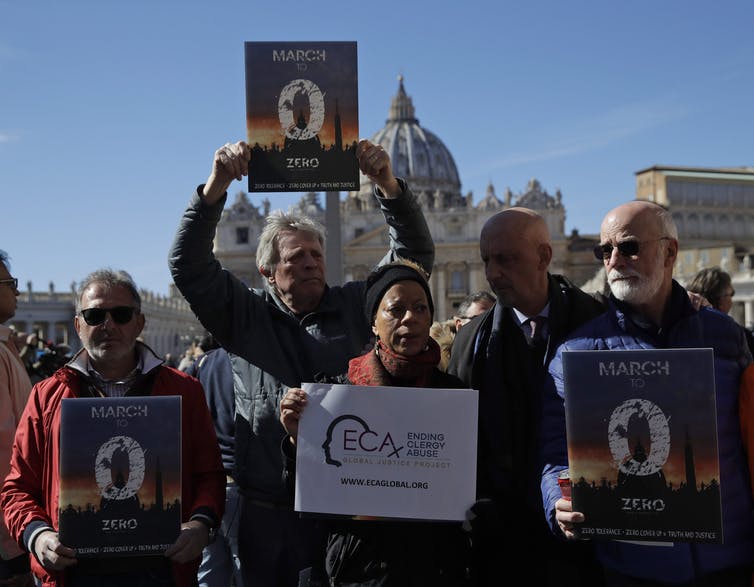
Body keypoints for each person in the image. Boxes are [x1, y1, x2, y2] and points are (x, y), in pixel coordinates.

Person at [168, 139, 434, 587]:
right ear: (268, 271)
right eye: (297, 257)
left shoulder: (356, 306)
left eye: (317, 255)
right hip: (269, 511)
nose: (312, 264)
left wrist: (388, 185)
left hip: (349, 507)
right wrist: (217, 185)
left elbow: (412, 260)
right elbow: (188, 265)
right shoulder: (243, 316)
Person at [542, 200, 754, 586]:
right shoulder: (576, 353)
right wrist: (555, 503)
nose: (615, 260)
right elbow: (555, 453)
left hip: (730, 560)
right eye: (605, 250)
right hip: (634, 568)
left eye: (629, 247)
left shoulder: (725, 335)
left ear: (670, 251)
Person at [1, 268, 226, 587]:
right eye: (94, 315)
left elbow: (209, 475)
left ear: (139, 322)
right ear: (78, 325)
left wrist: (202, 524)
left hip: (161, 569)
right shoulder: (46, 396)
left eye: (121, 314)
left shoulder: (184, 391)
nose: (108, 325)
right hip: (73, 571)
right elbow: (18, 487)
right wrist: (38, 536)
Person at [279, 260, 470, 585]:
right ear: (373, 323)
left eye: (420, 308)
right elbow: (303, 495)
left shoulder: (455, 396)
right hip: (359, 568)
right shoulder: (336, 394)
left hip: (435, 567)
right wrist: (298, 440)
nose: (410, 317)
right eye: (396, 309)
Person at [446, 207, 606, 586]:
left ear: (544, 257)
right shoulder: (470, 341)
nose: (492, 273)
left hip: (582, 531)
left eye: (506, 259)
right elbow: (457, 437)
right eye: (486, 260)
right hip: (502, 542)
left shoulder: (598, 321)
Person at [185, 347, 243, 587]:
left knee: (208, 572)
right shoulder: (250, 361)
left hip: (208, 487)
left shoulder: (204, 362)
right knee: (243, 569)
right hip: (241, 484)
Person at [0, 251, 33, 586]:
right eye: (10, 284)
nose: (18, 292)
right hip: (9, 526)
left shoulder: (5, 348)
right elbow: (5, 445)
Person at [686, 266, 754, 354]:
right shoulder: (738, 335)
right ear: (721, 300)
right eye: (731, 294)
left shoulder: (682, 330)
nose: (732, 298)